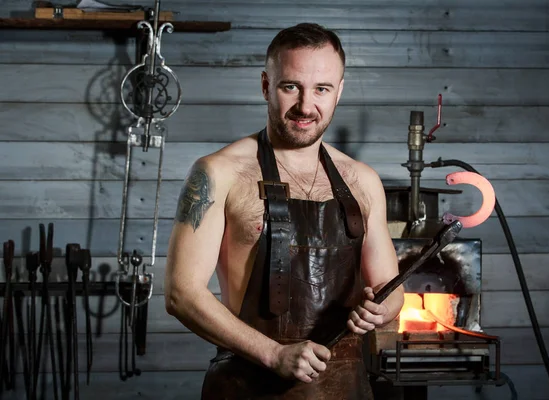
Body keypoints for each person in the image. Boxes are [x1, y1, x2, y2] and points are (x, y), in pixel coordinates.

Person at [164, 22, 405, 399]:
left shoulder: (363, 181)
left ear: (338, 92)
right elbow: (181, 294)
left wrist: (382, 309)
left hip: (347, 388)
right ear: (265, 85)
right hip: (247, 386)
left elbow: (392, 290)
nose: (306, 106)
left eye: (321, 89)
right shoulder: (218, 172)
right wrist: (272, 353)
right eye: (290, 86)